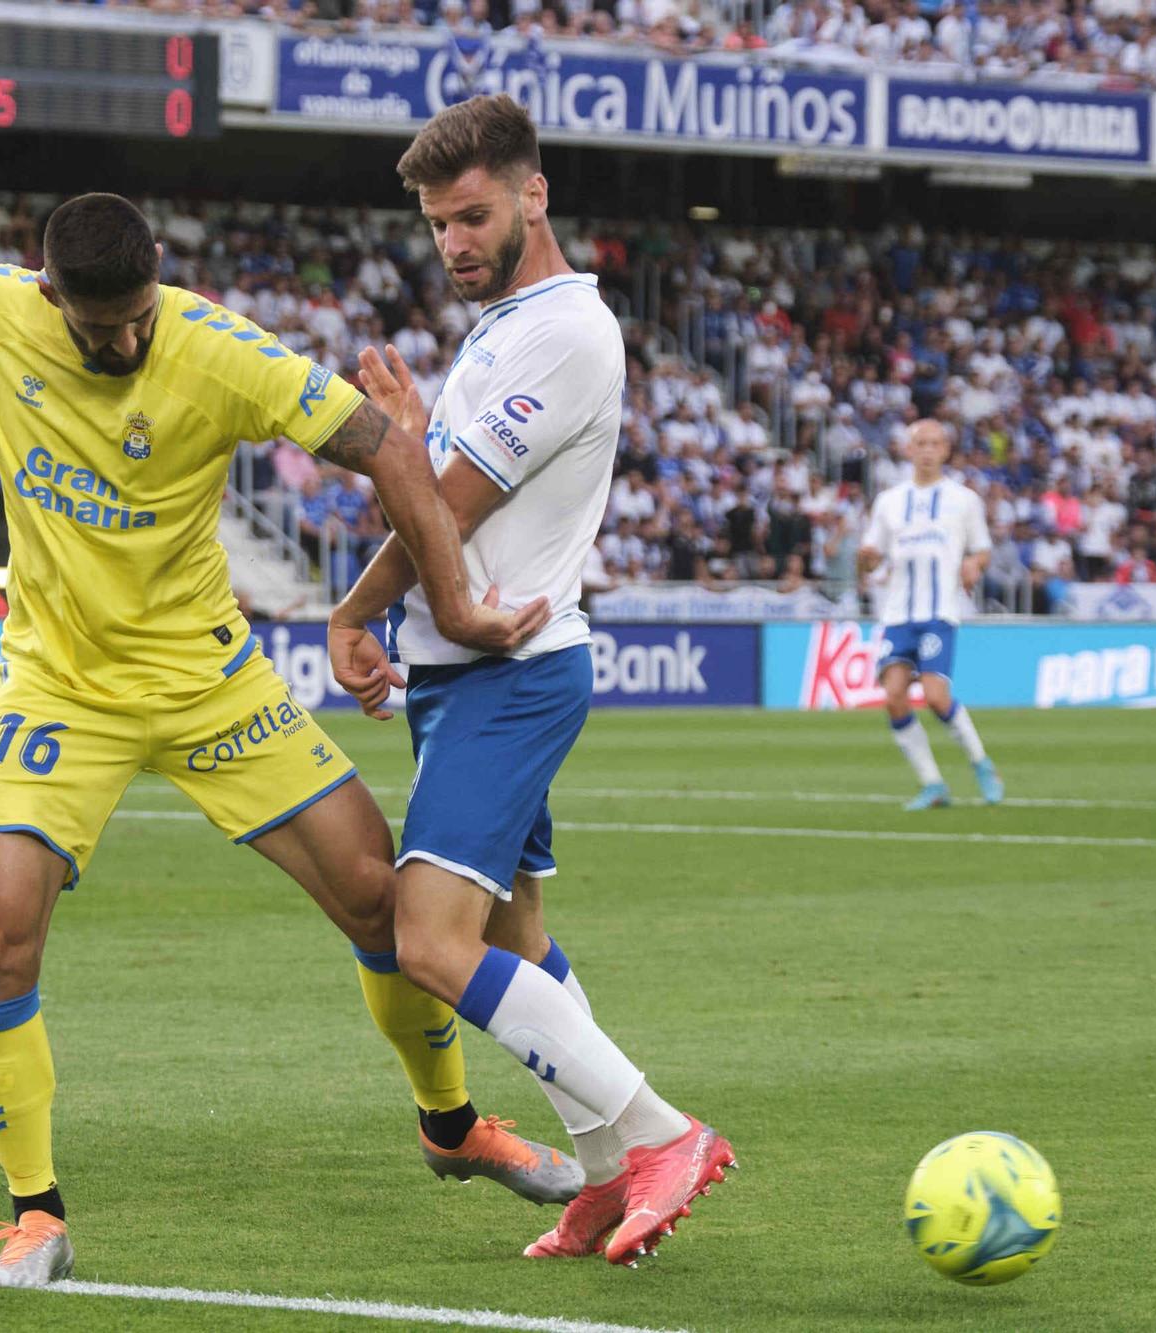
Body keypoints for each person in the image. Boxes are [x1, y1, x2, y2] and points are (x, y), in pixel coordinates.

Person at [0, 125, 561, 1288]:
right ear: (47, 291)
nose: (115, 342)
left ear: (156, 276)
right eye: (91, 325)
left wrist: (447, 602)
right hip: (59, 682)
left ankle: (451, 1124)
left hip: (210, 678)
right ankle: (34, 1214)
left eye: (132, 320)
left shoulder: (222, 350)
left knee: (377, 898)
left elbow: (391, 454)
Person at [327, 96, 734, 1270]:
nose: (452, 241)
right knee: (518, 937)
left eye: (472, 215)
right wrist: (403, 463)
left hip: (509, 672)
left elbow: (446, 511)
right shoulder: (501, 326)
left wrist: (356, 604)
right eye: (436, 224)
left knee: (428, 943)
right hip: (466, 675)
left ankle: (662, 1137)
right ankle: (606, 1173)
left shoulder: (561, 330)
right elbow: (434, 507)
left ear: (532, 195)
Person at [857, 418, 1002, 810]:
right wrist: (866, 560)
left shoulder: (963, 499)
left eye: (934, 443)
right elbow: (870, 560)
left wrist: (975, 565)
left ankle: (981, 762)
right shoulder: (889, 502)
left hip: (939, 612)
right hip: (898, 614)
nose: (926, 450)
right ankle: (933, 784)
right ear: (908, 449)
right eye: (919, 443)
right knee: (893, 697)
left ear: (945, 450)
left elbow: (982, 549)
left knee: (937, 698)